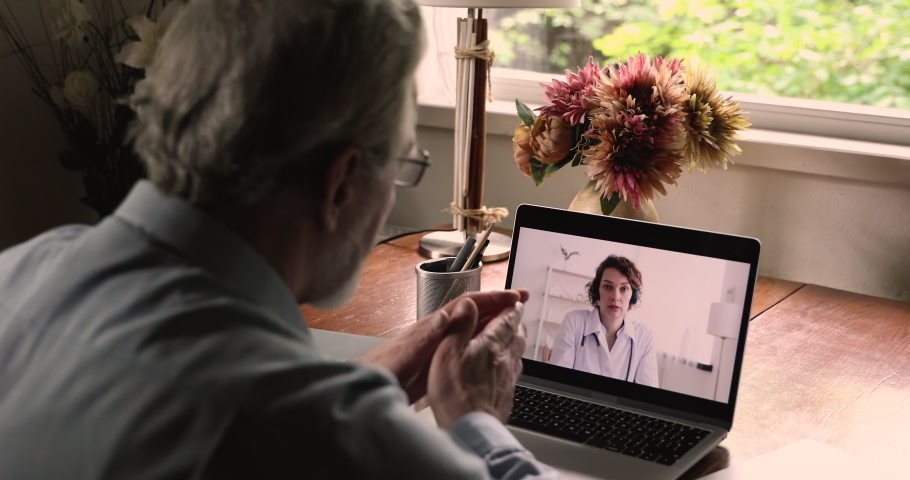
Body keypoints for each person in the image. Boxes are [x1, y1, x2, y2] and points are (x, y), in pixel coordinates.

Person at [0, 1, 557, 478]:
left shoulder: (22, 271)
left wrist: (367, 376)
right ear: (340, 182)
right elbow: (282, 417)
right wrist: (475, 419)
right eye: (403, 167)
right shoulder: (313, 428)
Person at [549, 255, 659, 387]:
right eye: (608, 287)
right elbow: (557, 383)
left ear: (632, 296)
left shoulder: (644, 336)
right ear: (597, 291)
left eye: (624, 289)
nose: (615, 297)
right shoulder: (574, 322)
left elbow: (646, 396)